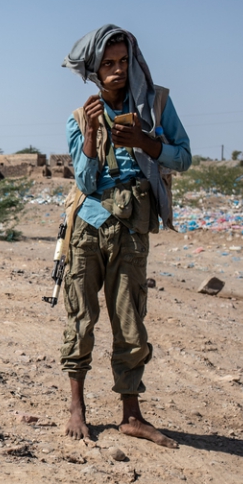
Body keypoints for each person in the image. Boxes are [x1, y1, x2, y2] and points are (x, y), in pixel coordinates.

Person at [59, 25, 191, 448]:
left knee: (130, 320)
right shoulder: (81, 117)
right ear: (95, 71)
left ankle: (131, 415)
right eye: (108, 64)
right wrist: (94, 140)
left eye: (123, 62)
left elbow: (184, 156)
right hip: (89, 226)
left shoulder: (156, 106)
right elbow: (84, 178)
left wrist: (147, 144)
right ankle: (77, 406)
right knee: (81, 317)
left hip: (133, 228)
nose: (117, 71)